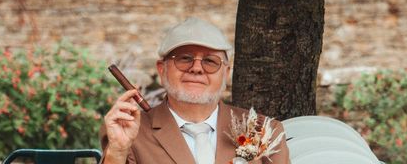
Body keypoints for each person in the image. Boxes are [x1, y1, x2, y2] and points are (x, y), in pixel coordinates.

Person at [100, 17, 290, 164]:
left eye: (210, 61)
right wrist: (116, 152)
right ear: (161, 69)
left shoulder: (264, 131)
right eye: (184, 58)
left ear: (226, 73)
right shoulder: (131, 133)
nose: (197, 68)